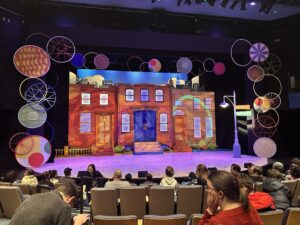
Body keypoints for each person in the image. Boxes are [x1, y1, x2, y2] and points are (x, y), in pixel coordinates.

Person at [198, 170, 263, 225]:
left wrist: (210, 211)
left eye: (208, 188)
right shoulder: (250, 208)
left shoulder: (217, 222)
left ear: (220, 194)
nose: (206, 191)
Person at [9, 182, 89, 225]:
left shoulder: (33, 197)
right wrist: (78, 222)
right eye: (72, 205)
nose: (70, 207)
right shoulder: (64, 206)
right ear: (71, 199)